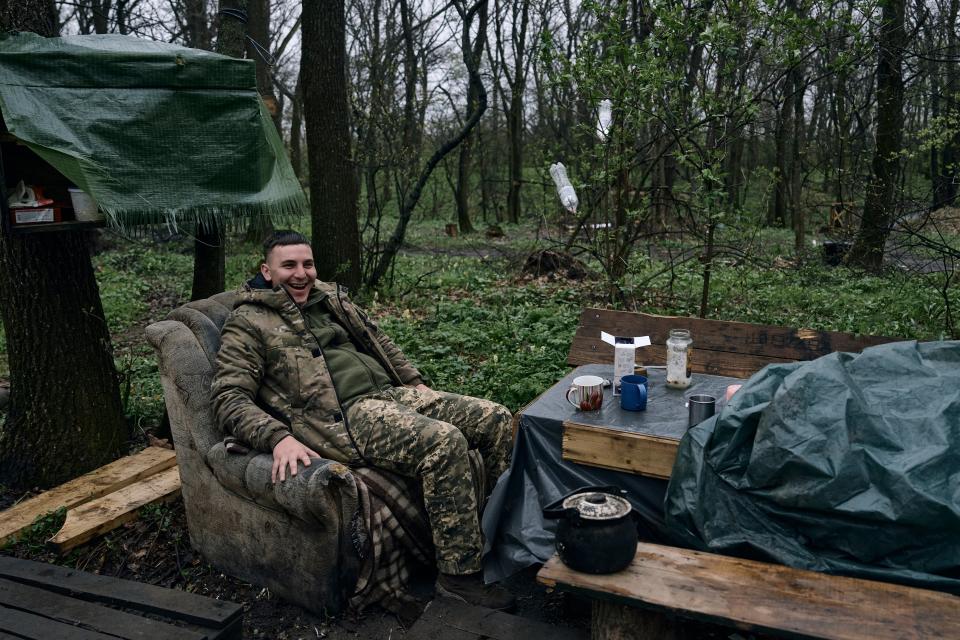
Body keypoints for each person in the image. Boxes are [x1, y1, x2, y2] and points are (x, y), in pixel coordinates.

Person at [211, 230, 515, 611]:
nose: (301, 273)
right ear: (267, 271)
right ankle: (458, 577)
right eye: (288, 265)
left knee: (497, 419)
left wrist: (415, 383)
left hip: (392, 393)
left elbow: (380, 341)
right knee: (444, 442)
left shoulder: (330, 298)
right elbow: (228, 397)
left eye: (307, 263)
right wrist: (277, 438)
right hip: (346, 416)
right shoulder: (249, 322)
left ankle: (496, 536)